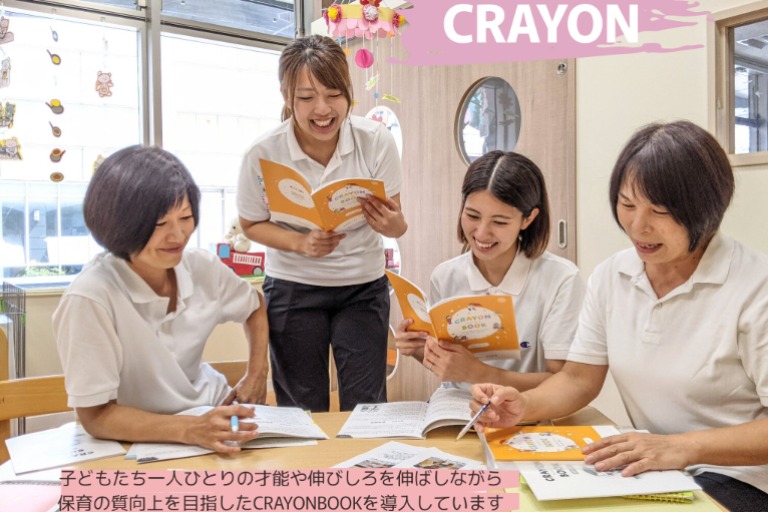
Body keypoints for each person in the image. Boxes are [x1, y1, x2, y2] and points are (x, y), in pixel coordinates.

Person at [470, 121, 768, 510]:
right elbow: (578, 379)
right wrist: (524, 406)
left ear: (706, 211)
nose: (638, 226)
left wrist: (681, 447)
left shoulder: (755, 286)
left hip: (744, 478)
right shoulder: (613, 275)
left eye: (659, 211)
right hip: (657, 468)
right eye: (627, 205)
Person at [53, 145, 269, 453]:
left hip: (215, 418)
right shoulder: (90, 297)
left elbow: (255, 306)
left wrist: (257, 373)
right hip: (140, 441)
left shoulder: (201, 267)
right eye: (159, 224)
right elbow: (96, 417)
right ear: (119, 225)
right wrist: (192, 429)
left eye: (185, 217)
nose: (177, 236)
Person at [237, 35, 407, 412]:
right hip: (292, 287)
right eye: (306, 97)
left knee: (366, 407)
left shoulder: (376, 140)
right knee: (301, 410)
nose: (323, 109)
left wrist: (391, 223)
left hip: (362, 287)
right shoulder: (262, 153)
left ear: (348, 92)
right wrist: (301, 243)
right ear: (286, 95)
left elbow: (397, 227)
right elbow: (250, 225)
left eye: (334, 94)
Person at [396, 151, 584, 390]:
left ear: (528, 219)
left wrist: (478, 372)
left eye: (500, 222)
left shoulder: (561, 279)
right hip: (456, 406)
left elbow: (564, 383)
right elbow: (450, 367)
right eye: (472, 216)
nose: (482, 233)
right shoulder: (445, 276)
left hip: (528, 408)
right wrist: (418, 349)